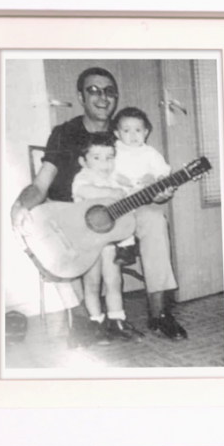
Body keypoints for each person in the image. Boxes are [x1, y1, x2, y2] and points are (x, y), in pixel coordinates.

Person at [11, 67, 187, 344]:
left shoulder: (126, 132)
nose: (103, 97)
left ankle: (159, 313)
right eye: (94, 90)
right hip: (75, 211)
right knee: (61, 243)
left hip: (120, 208)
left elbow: (142, 180)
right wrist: (20, 205)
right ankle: (85, 321)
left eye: (109, 92)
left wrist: (159, 192)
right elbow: (41, 184)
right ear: (81, 96)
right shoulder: (64, 133)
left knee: (154, 219)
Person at [110, 106, 188, 340]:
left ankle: (159, 313)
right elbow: (103, 171)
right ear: (117, 133)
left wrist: (155, 179)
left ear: (146, 132)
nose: (132, 135)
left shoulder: (150, 153)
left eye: (138, 130)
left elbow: (163, 173)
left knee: (156, 219)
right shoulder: (114, 151)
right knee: (121, 218)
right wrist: (115, 179)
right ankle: (125, 246)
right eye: (126, 130)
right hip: (114, 202)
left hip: (142, 202)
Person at [71, 132, 145, 343]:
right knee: (92, 283)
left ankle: (117, 320)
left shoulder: (114, 179)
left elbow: (128, 196)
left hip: (110, 241)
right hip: (89, 241)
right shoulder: (83, 177)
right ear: (83, 161)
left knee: (114, 281)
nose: (105, 163)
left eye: (110, 157)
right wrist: (111, 193)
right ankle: (96, 322)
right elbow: (85, 191)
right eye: (97, 157)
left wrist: (134, 189)